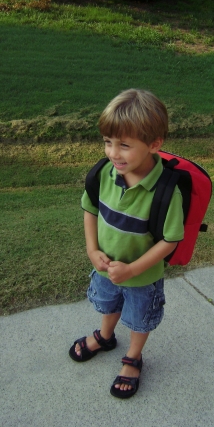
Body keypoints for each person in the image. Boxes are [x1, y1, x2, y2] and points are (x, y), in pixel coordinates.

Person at [69, 89, 184, 399]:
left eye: (124, 145)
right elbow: (90, 209)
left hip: (142, 278)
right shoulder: (105, 174)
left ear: (154, 144)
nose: (113, 153)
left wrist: (132, 269)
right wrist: (92, 250)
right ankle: (105, 337)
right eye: (108, 142)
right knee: (107, 306)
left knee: (138, 318)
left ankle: (133, 357)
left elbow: (170, 241)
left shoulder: (165, 192)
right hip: (106, 268)